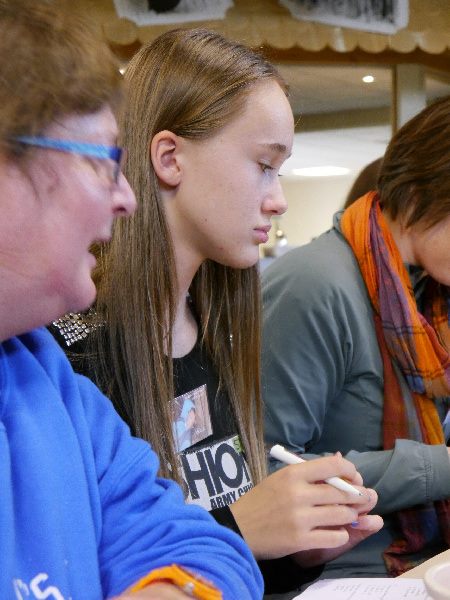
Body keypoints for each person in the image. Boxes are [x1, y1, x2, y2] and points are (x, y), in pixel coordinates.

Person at [50, 28, 382, 595]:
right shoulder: (70, 352)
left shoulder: (212, 331)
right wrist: (240, 528)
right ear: (170, 157)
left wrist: (297, 546)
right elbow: (73, 571)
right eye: (264, 164)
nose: (278, 200)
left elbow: (240, 565)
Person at [0, 2, 266, 598]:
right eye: (105, 162)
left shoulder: (43, 375)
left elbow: (202, 547)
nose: (126, 197)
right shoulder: (69, 353)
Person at [262, 96, 450, 581]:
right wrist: (439, 467)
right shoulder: (314, 285)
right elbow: (267, 465)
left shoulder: (429, 290)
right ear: (419, 196)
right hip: (353, 574)